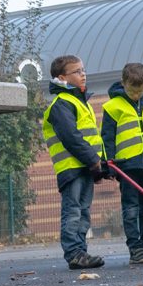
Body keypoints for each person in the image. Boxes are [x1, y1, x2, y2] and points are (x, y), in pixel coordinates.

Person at [43, 55, 107, 270]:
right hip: (71, 168)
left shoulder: (80, 102)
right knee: (73, 211)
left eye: (83, 70)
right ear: (62, 77)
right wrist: (93, 161)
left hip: (85, 166)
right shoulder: (61, 104)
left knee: (83, 211)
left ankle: (81, 251)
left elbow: (91, 137)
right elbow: (71, 137)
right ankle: (73, 252)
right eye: (77, 71)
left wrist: (100, 163)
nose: (83, 74)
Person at [101, 62, 143, 264]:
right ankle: (135, 247)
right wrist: (109, 162)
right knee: (130, 208)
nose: (136, 94)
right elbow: (107, 138)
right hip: (127, 166)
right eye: (131, 90)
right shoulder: (112, 107)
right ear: (123, 83)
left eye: (140, 90)